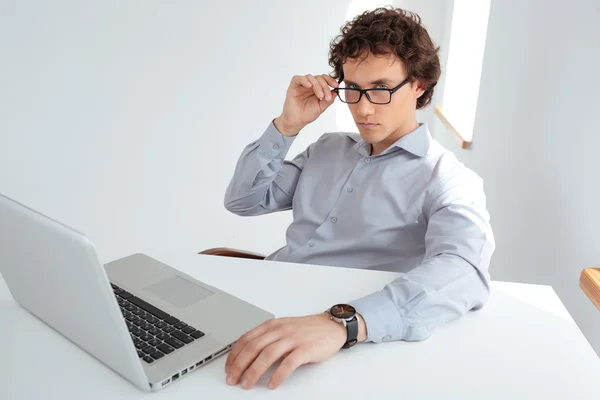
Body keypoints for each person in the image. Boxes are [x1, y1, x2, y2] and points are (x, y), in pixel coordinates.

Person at [222, 6, 495, 391]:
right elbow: (244, 201)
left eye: (381, 89)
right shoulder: (328, 148)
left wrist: (344, 323)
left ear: (418, 85)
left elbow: (464, 271)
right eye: (352, 88)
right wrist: (287, 126)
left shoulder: (448, 179)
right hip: (266, 300)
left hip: (340, 339)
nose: (362, 108)